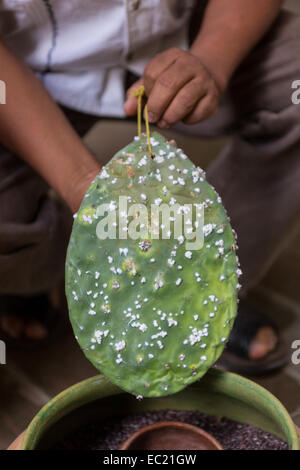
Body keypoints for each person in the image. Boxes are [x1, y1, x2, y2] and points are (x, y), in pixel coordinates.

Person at [0, 1, 299, 372]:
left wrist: (213, 60)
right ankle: (55, 267)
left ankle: (202, 285)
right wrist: (86, 187)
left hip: (176, 39)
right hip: (18, 77)